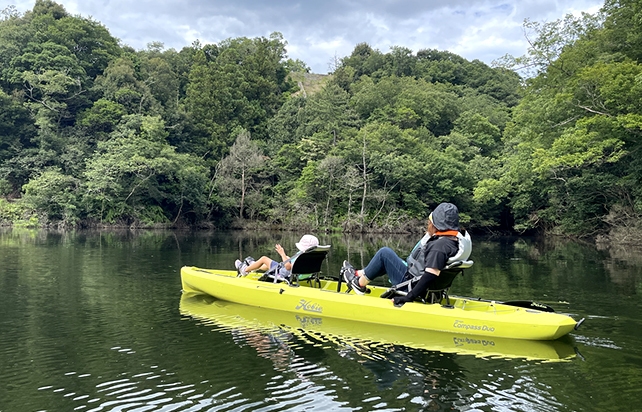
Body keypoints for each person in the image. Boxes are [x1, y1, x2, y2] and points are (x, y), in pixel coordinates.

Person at [342, 203, 461, 307]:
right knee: (389, 260)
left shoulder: (438, 247)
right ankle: (359, 274)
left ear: (436, 225)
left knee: (384, 253)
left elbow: (430, 275)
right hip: (429, 290)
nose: (427, 224)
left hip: (411, 287)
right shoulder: (452, 241)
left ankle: (358, 284)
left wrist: (409, 297)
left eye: (430, 222)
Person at [235, 234, 319, 276]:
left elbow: (288, 267)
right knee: (269, 265)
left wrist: (282, 253)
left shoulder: (301, 255)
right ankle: (253, 266)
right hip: (301, 274)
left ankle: (245, 270)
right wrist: (287, 258)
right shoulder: (313, 255)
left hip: (286, 273)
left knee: (264, 259)